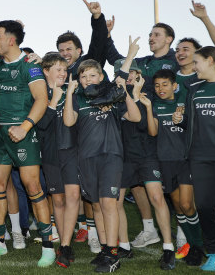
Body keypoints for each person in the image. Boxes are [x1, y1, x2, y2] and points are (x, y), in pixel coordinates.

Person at [0, 20, 54, 267]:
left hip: (24, 135)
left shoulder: (30, 66)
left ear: (11, 39)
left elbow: (42, 99)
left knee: (32, 187)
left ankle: (48, 246)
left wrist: (25, 126)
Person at [63, 58, 141, 273]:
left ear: (101, 77)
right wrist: (69, 94)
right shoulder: (78, 98)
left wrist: (123, 91)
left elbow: (135, 116)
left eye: (92, 75)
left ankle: (113, 254)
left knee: (108, 203)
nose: (88, 79)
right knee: (96, 205)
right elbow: (69, 121)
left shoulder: (111, 96)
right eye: (83, 76)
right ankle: (106, 249)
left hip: (110, 156)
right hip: (87, 158)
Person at [112, 38, 175, 270]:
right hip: (124, 157)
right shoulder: (117, 97)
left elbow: (150, 127)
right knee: (116, 201)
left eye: (133, 73)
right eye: (126, 73)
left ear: (140, 75)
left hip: (148, 155)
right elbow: (131, 115)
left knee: (157, 198)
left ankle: (168, 247)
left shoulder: (152, 97)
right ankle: (124, 245)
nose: (129, 77)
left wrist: (144, 101)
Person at [176, 46, 215, 271]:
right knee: (205, 206)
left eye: (196, 62)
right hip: (199, 157)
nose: (194, 67)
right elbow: (191, 122)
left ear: (210, 61)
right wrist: (181, 119)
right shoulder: (195, 88)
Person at [143, 69, 204, 265]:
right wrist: (147, 108)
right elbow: (152, 133)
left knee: (187, 204)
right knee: (178, 207)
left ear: (174, 85)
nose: (161, 89)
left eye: (165, 84)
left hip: (185, 160)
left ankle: (197, 246)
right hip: (165, 161)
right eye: (157, 85)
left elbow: (194, 126)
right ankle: (193, 245)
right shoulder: (154, 105)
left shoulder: (184, 104)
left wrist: (183, 119)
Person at [36, 52, 80, 267]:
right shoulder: (39, 92)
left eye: (65, 69)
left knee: (73, 196)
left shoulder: (74, 90)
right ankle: (64, 243)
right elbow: (41, 126)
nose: (63, 73)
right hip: (50, 154)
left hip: (72, 151)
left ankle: (65, 244)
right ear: (46, 71)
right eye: (58, 69)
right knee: (59, 200)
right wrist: (53, 100)